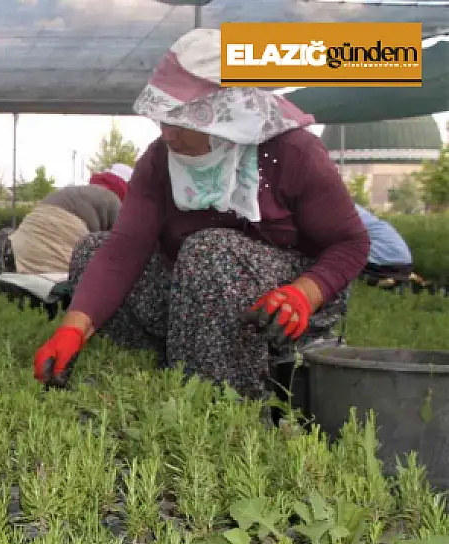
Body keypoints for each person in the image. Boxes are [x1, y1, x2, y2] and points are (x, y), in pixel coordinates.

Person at [32, 28, 369, 400]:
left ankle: (226, 405)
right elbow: (124, 249)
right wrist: (73, 327)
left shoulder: (293, 152)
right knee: (93, 250)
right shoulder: (160, 159)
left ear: (228, 115)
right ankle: (144, 382)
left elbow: (350, 243)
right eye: (163, 121)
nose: (168, 135)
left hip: (285, 304)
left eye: (182, 122)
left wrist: (305, 294)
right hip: (196, 293)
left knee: (209, 251)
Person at [0, 164, 133, 275]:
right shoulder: (114, 200)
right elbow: (121, 244)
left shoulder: (74, 190)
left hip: (23, 242)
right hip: (59, 245)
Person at [354, 204, 420, 287]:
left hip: (387, 260)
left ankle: (379, 281)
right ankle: (403, 277)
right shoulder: (350, 208)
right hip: (404, 261)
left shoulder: (343, 213)